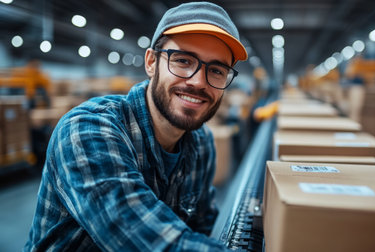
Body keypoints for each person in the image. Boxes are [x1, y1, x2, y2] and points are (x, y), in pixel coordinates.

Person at [24, 2, 247, 251]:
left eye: (216, 70)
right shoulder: (87, 130)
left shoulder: (202, 144)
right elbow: (145, 241)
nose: (197, 82)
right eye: (183, 60)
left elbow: (201, 228)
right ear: (151, 62)